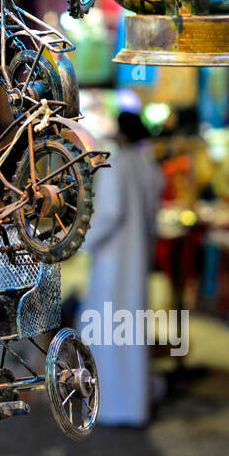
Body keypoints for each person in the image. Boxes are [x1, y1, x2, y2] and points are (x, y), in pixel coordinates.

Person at [78, 110, 164, 427]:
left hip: (112, 265)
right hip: (137, 261)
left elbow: (110, 214)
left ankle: (113, 406)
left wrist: (82, 241)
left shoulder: (115, 164)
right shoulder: (148, 166)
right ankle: (134, 405)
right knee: (130, 333)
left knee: (108, 334)